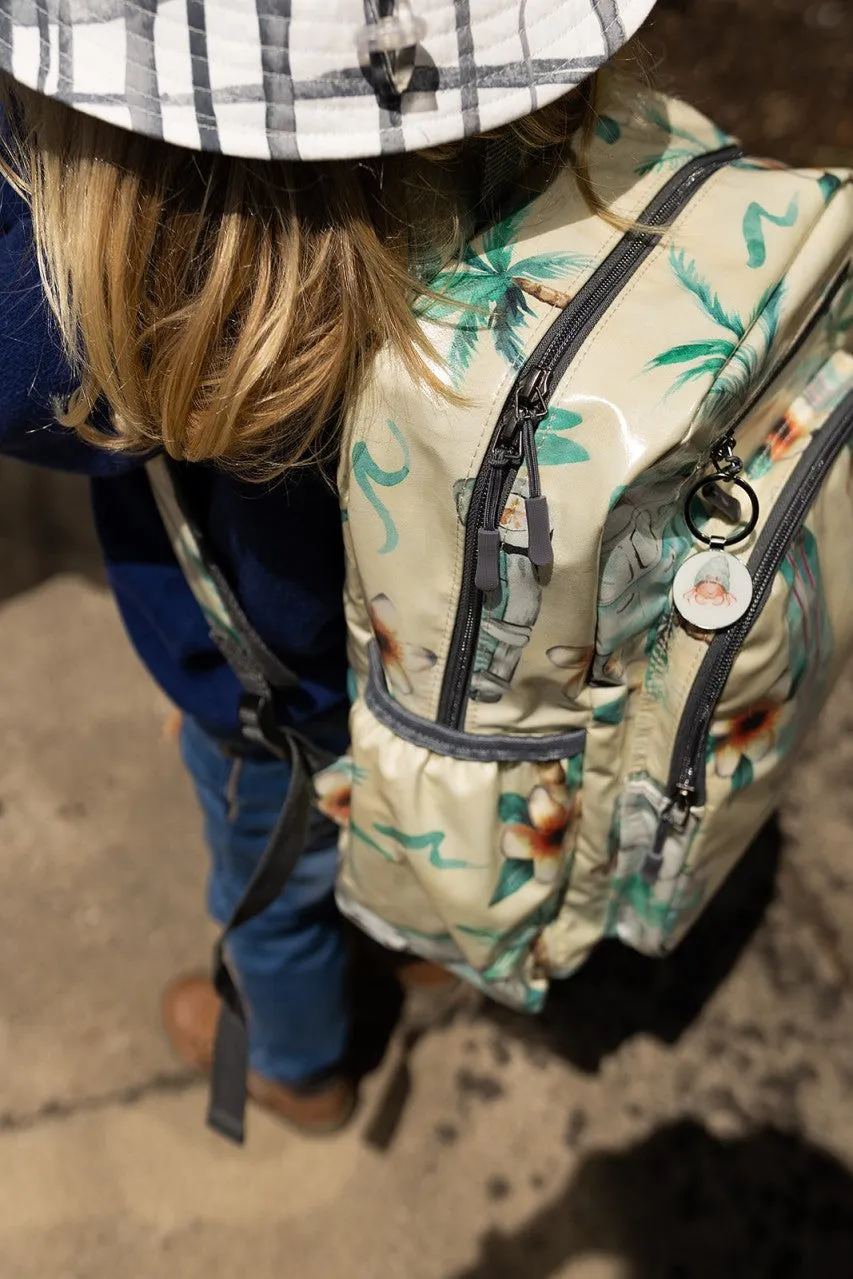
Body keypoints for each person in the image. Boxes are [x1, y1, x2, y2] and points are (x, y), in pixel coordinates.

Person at [0, 0, 657, 1133]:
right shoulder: (536, 146)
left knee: (278, 894)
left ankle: (296, 1069)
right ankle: (430, 942)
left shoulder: (152, 272)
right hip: (487, 658)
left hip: (282, 691)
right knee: (451, 807)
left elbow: (27, 372)